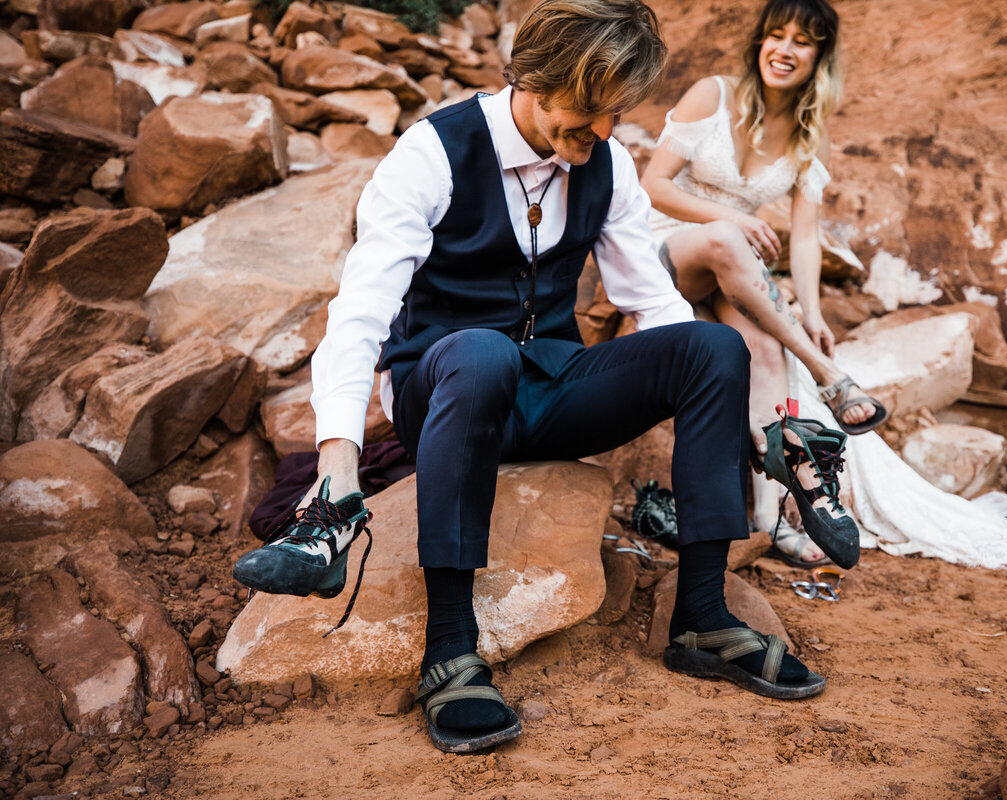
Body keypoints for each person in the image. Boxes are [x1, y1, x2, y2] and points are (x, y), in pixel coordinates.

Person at [232, 0, 831, 756]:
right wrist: (337, 463)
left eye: (616, 113)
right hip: (446, 388)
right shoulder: (431, 154)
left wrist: (736, 419)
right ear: (533, 80)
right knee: (480, 353)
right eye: (588, 111)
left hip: (550, 386)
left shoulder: (605, 163)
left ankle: (702, 617)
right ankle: (450, 650)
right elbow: (360, 317)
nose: (605, 134)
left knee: (711, 348)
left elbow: (653, 301)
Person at [642, 0, 1007, 572]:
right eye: (776, 35)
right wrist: (736, 221)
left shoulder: (809, 134)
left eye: (802, 40)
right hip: (674, 246)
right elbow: (653, 185)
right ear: (759, 44)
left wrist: (814, 311)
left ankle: (767, 521)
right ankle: (830, 378)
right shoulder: (713, 94)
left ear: (820, 56)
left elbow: (803, 236)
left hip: (737, 265)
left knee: (766, 349)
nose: (785, 49)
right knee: (726, 239)